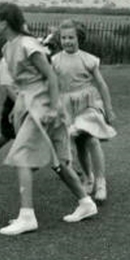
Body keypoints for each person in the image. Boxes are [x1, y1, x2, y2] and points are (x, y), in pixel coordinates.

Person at [0, 2, 97, 236]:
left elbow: (50, 75)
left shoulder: (28, 45)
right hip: (31, 103)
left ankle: (27, 216)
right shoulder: (8, 47)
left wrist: (54, 106)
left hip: (43, 106)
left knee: (23, 157)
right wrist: (18, 105)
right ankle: (86, 203)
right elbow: (23, 81)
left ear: (5, 22)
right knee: (58, 162)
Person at [52, 19, 116, 202]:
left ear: (78, 37)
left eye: (71, 37)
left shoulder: (88, 59)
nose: (67, 41)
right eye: (64, 38)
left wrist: (109, 109)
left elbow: (102, 85)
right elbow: (53, 85)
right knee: (80, 143)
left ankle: (101, 182)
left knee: (92, 140)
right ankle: (89, 177)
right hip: (67, 105)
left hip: (88, 103)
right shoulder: (55, 60)